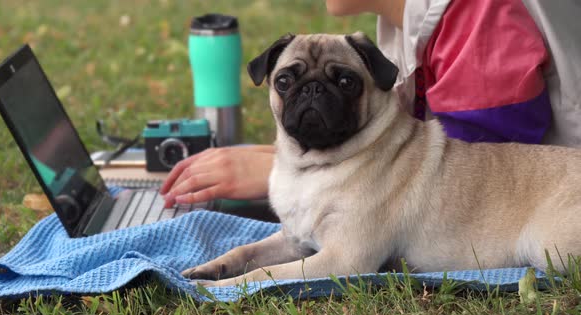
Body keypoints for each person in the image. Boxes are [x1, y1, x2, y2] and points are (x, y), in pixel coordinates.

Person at [161, 0, 581, 209]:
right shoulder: (405, 18)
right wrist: (286, 158)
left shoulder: (479, 17)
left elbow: (465, 179)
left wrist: (276, 171)